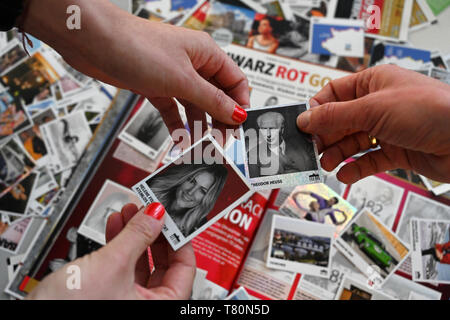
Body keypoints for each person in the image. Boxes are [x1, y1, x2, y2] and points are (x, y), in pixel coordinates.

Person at [147, 164, 228, 237]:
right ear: (183, 178)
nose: (190, 192)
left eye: (202, 191)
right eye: (192, 181)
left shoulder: (196, 229)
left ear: (207, 199)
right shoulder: (151, 185)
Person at [247, 111, 316, 177]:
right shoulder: (253, 154)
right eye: (264, 129)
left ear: (282, 129)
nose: (268, 134)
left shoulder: (303, 143)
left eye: (272, 129)